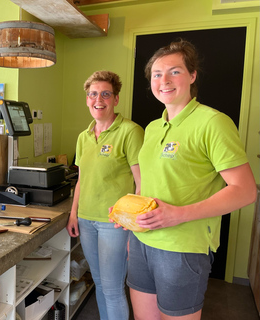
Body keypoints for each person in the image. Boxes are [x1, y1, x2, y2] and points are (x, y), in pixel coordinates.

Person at [127, 39, 257, 320]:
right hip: (141, 241)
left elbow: (245, 191)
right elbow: (148, 185)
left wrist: (178, 215)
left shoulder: (213, 122)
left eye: (174, 71)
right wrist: (129, 216)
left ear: (192, 75)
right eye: (158, 74)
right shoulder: (152, 128)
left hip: (182, 248)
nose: (164, 80)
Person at [66, 70, 144, 320]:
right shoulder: (83, 137)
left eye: (105, 94)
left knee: (112, 288)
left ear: (116, 99)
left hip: (115, 224)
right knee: (99, 283)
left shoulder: (130, 131)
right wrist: (73, 214)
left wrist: (132, 225)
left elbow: (142, 183)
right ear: (87, 99)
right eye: (92, 94)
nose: (98, 99)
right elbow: (81, 180)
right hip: (87, 221)